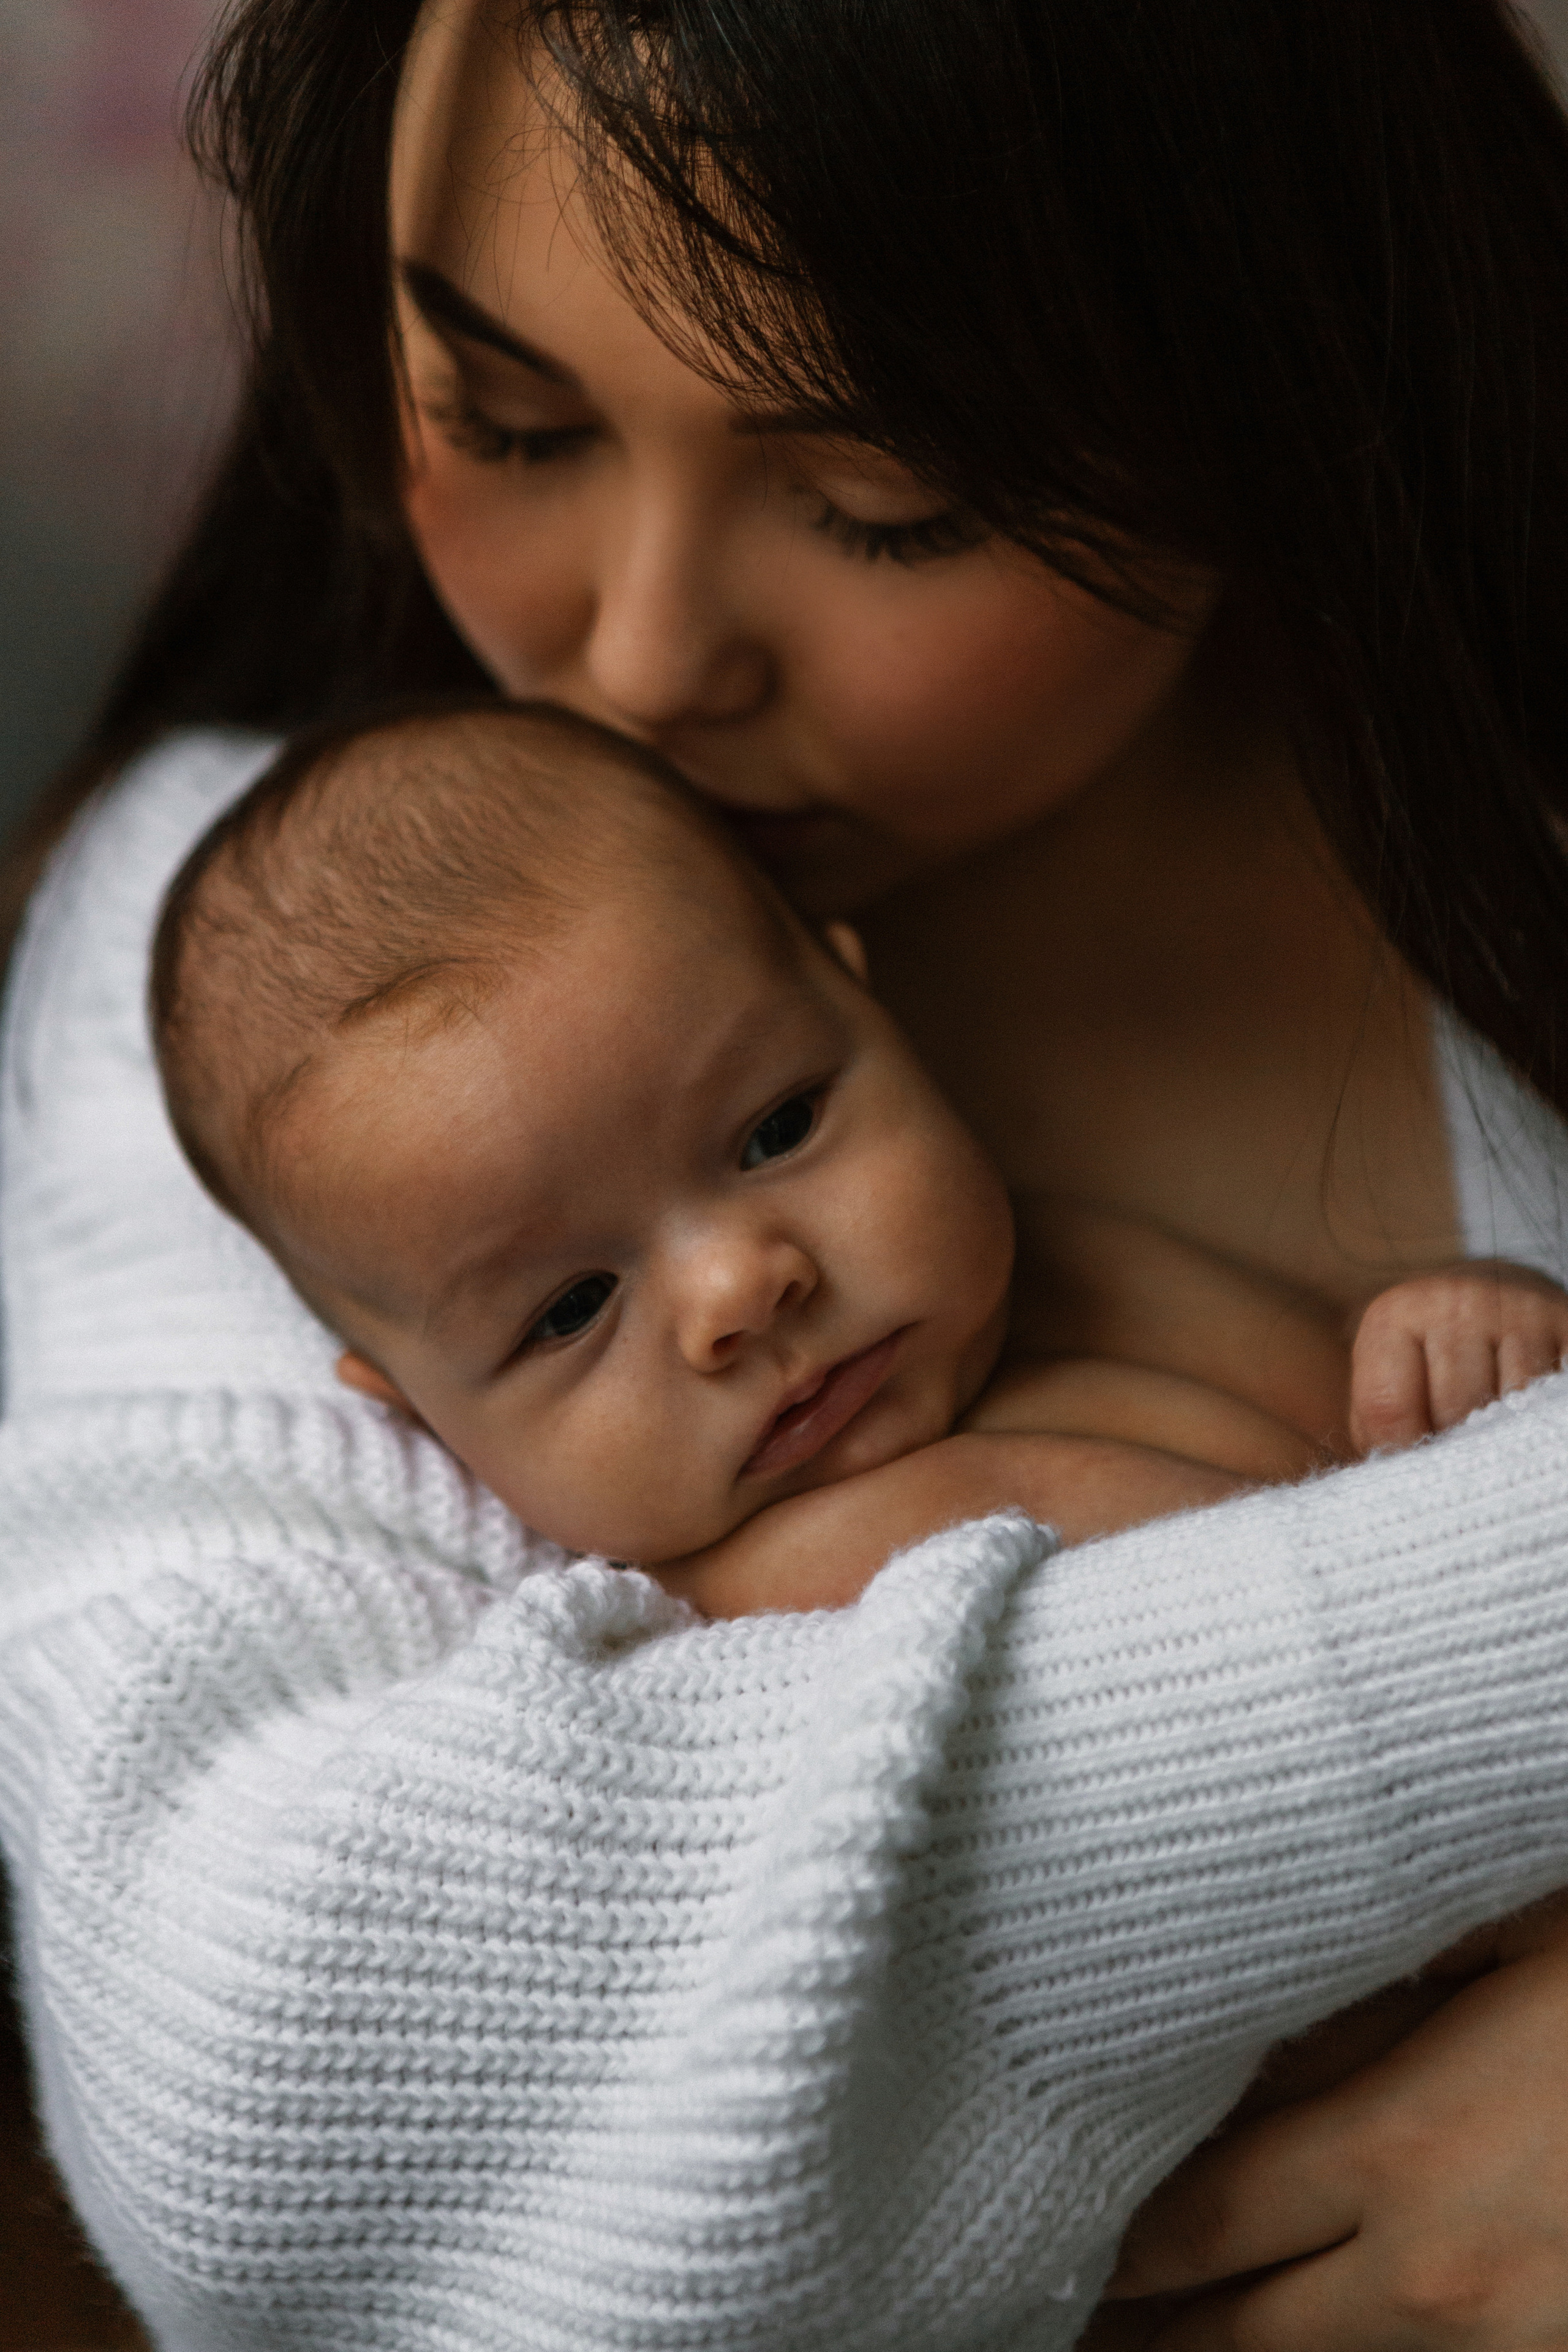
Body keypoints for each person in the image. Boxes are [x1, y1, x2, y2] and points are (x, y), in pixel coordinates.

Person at [4, 0, 1568, 2343]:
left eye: (883, 502)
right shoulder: (260, 999)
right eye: (507, 422)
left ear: (1267, 344)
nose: (634, 660)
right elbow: (304, 2074)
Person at [153, 696, 1568, 1588]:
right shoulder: (783, 1583)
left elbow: (1412, 1436)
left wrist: (1466, 1336)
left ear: (865, 997)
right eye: (570, 1309)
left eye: (776, 1128)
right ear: (411, 1414)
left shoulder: (1063, 1262)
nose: (739, 1289)